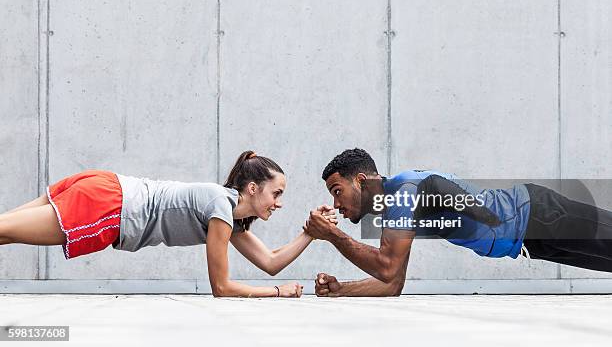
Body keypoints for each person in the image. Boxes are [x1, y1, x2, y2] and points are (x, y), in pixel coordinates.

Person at [0, 151, 336, 298]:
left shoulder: (228, 217)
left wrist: (309, 233)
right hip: (109, 206)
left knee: (4, 231)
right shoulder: (221, 207)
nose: (279, 203)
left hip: (105, 188)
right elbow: (222, 288)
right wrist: (277, 293)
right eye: (276, 193)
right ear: (252, 189)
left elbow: (271, 262)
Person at [304, 148, 612, 297]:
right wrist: (341, 289)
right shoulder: (396, 206)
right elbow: (393, 282)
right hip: (532, 242)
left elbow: (385, 268)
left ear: (360, 180)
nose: (336, 204)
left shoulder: (404, 192)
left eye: (337, 191)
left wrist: (332, 235)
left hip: (539, 215)